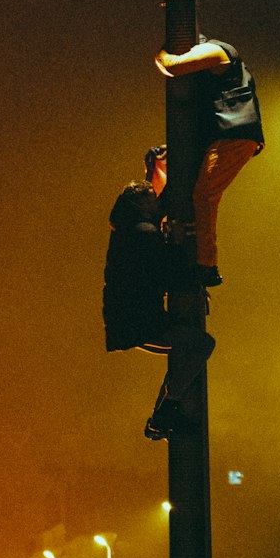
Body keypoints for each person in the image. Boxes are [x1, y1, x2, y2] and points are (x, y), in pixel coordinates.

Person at [101, 183, 215, 441]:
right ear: (141, 205)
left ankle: (165, 413)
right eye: (152, 198)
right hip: (139, 324)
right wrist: (175, 242)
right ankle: (163, 414)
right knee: (201, 344)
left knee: (190, 342)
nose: (159, 203)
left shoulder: (128, 231)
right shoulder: (144, 233)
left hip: (132, 318)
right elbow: (171, 276)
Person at [155, 37, 264, 286]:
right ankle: (197, 259)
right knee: (196, 193)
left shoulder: (215, 51)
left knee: (204, 196)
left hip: (233, 135)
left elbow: (172, 65)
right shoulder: (222, 61)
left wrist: (161, 53)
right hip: (229, 135)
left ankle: (206, 266)